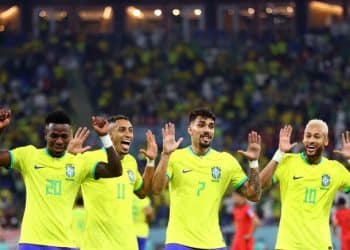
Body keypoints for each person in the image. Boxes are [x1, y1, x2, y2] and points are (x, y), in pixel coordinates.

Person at [0, 108, 122, 250]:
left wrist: (105, 138)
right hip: (32, 242)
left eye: (64, 136)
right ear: (46, 134)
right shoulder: (29, 155)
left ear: (70, 136)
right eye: (54, 136)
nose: (59, 141)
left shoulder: (80, 163)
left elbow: (115, 171)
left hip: (65, 244)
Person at [152, 108, 262, 250]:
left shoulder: (226, 161)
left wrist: (254, 164)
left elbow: (254, 195)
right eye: (201, 125)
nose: (207, 130)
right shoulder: (175, 157)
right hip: (180, 241)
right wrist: (166, 155)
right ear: (190, 130)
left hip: (214, 243)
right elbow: (156, 189)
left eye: (211, 126)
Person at [69, 114, 157, 250]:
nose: (128, 134)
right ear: (108, 135)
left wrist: (150, 162)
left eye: (130, 130)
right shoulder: (91, 158)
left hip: (128, 245)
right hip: (97, 245)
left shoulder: (131, 162)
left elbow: (142, 192)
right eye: (122, 130)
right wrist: (68, 157)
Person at [260, 120, 350, 249]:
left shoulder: (335, 169)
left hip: (320, 246)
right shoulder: (287, 162)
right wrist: (279, 153)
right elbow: (259, 185)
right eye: (308, 136)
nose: (311, 140)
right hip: (288, 246)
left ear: (326, 141)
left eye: (317, 136)